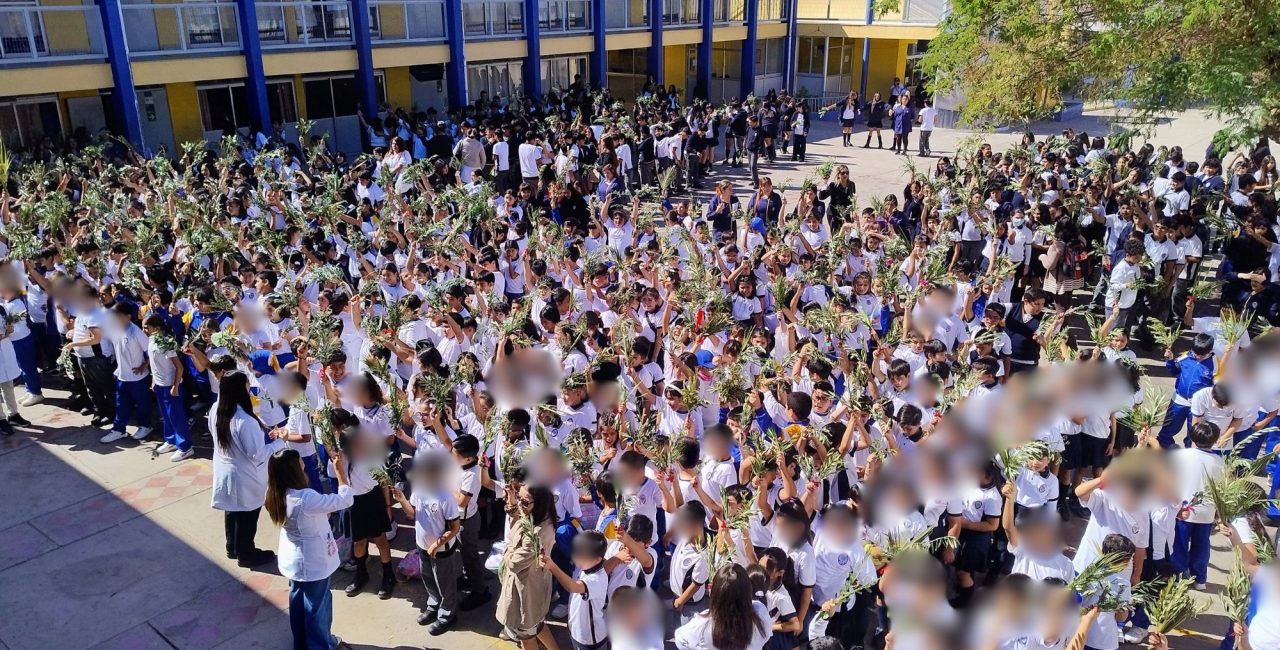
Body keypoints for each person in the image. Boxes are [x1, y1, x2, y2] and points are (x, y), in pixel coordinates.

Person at [265, 448, 355, 650]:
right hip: (313, 561)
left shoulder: (274, 493)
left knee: (298, 602)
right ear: (294, 470)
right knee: (317, 606)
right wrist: (340, 473)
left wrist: (321, 513)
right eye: (300, 462)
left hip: (294, 559)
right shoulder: (305, 498)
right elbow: (345, 500)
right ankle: (321, 645)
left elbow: (308, 515)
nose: (303, 463)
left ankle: (302, 643)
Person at [211, 370, 288, 567]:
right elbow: (258, 454)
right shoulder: (244, 421)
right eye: (247, 384)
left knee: (232, 511)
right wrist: (280, 442)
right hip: (244, 475)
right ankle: (246, 554)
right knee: (247, 516)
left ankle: (233, 547)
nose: (249, 388)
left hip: (226, 470)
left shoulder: (216, 410)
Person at [673, 563, 773, 650]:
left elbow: (680, 639)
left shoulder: (700, 626)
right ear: (748, 592)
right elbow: (767, 635)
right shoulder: (761, 614)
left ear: (714, 592)